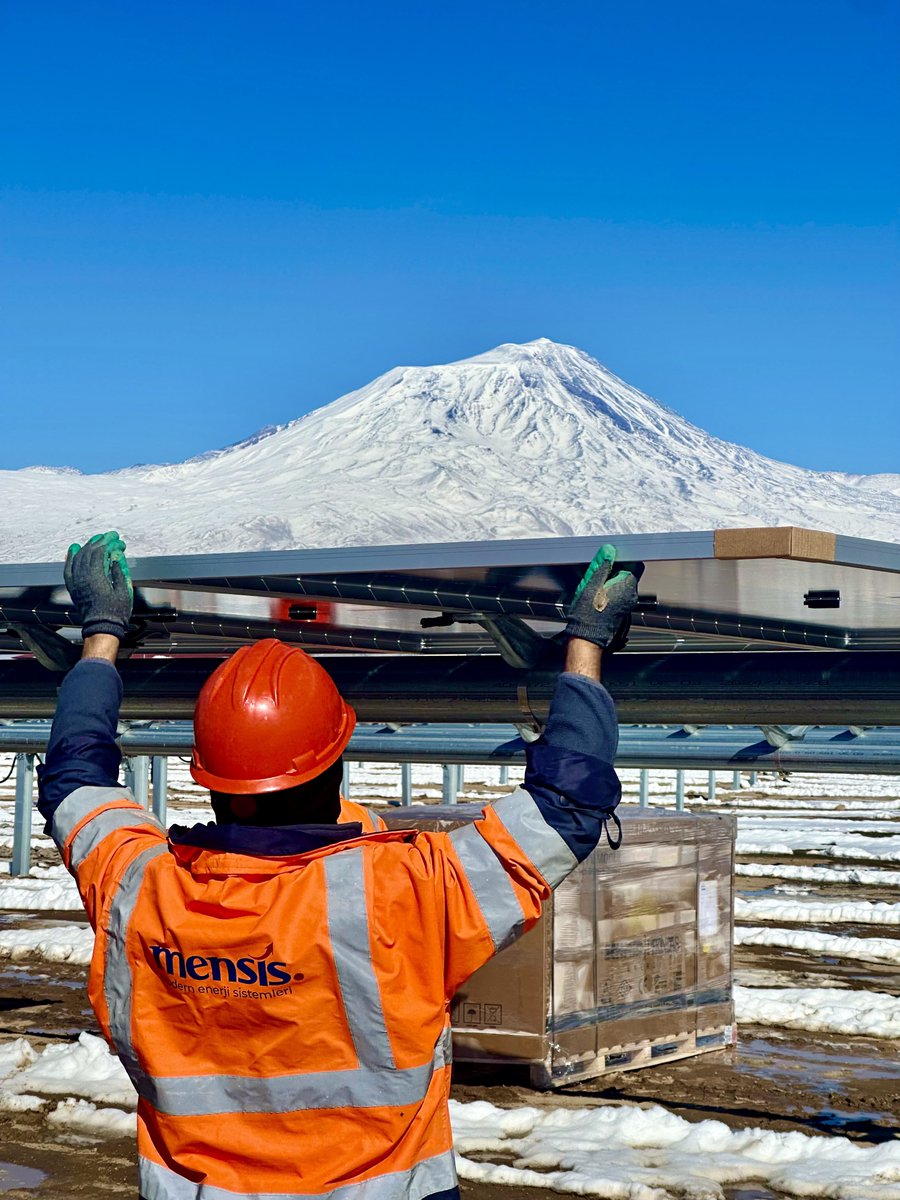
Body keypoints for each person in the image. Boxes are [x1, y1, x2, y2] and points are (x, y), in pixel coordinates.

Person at [37, 531, 642, 1200]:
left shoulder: (139, 887)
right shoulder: (399, 893)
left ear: (209, 776)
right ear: (335, 763)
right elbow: (565, 805)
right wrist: (586, 643)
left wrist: (101, 632)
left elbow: (73, 782)